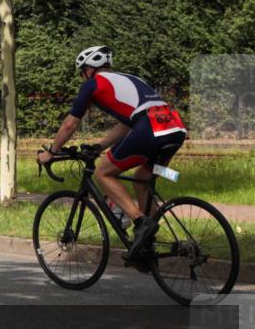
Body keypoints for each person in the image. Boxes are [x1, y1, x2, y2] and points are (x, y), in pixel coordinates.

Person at [37, 46, 186, 266]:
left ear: (89, 70)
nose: (82, 77)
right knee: (142, 179)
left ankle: (139, 221)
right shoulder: (129, 78)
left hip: (149, 127)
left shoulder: (93, 84)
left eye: (82, 72)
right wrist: (100, 146)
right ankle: (148, 243)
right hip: (174, 124)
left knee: (103, 172)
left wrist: (51, 152)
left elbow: (70, 124)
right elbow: (128, 124)